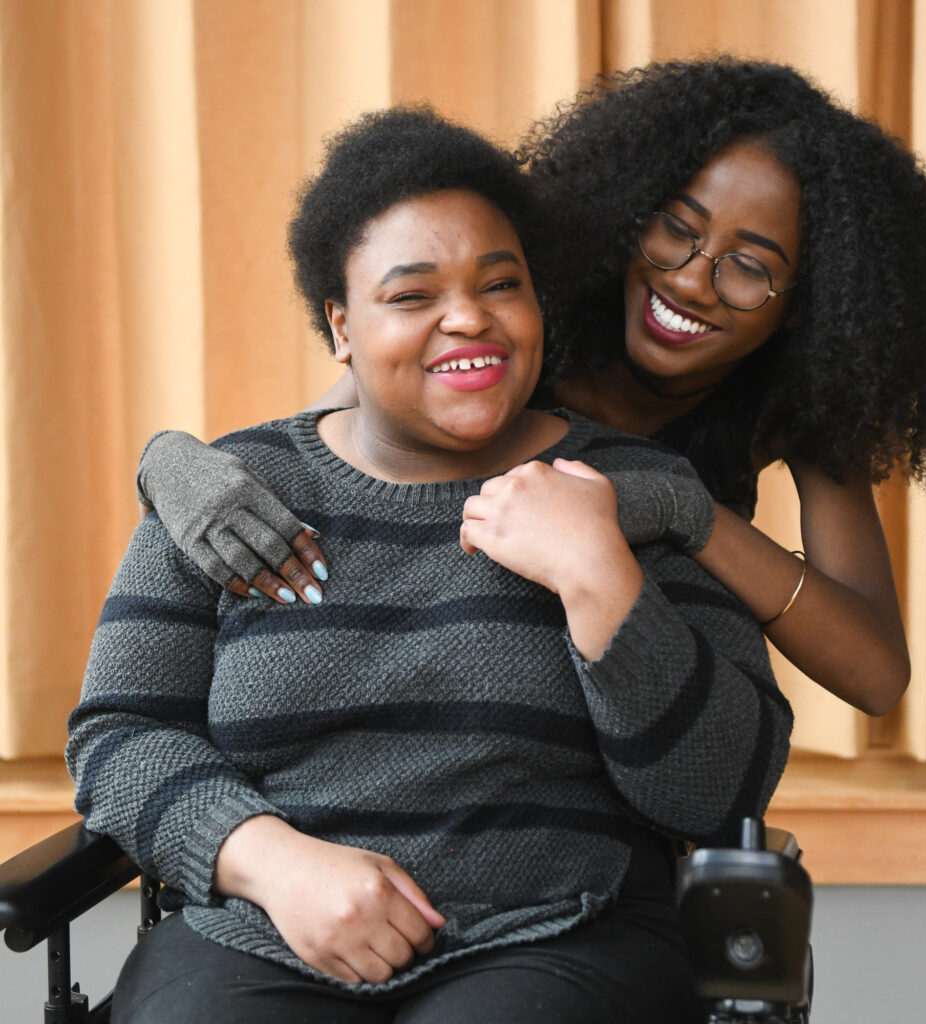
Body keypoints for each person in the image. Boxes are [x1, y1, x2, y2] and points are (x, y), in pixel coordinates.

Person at [68, 106, 791, 1024]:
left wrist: (601, 579)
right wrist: (271, 861)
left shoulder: (631, 488)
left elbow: (721, 789)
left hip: (565, 937)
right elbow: (118, 734)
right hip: (261, 933)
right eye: (412, 297)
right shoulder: (231, 495)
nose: (467, 319)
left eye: (501, 284)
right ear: (341, 327)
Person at [135, 58, 926, 719]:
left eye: (749, 268)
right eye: (676, 231)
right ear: (628, 211)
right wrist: (169, 464)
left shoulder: (792, 407)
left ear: (809, 303)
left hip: (639, 717)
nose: (693, 282)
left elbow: (876, 676)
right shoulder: (518, 333)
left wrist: (692, 516)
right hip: (465, 688)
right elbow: (332, 435)